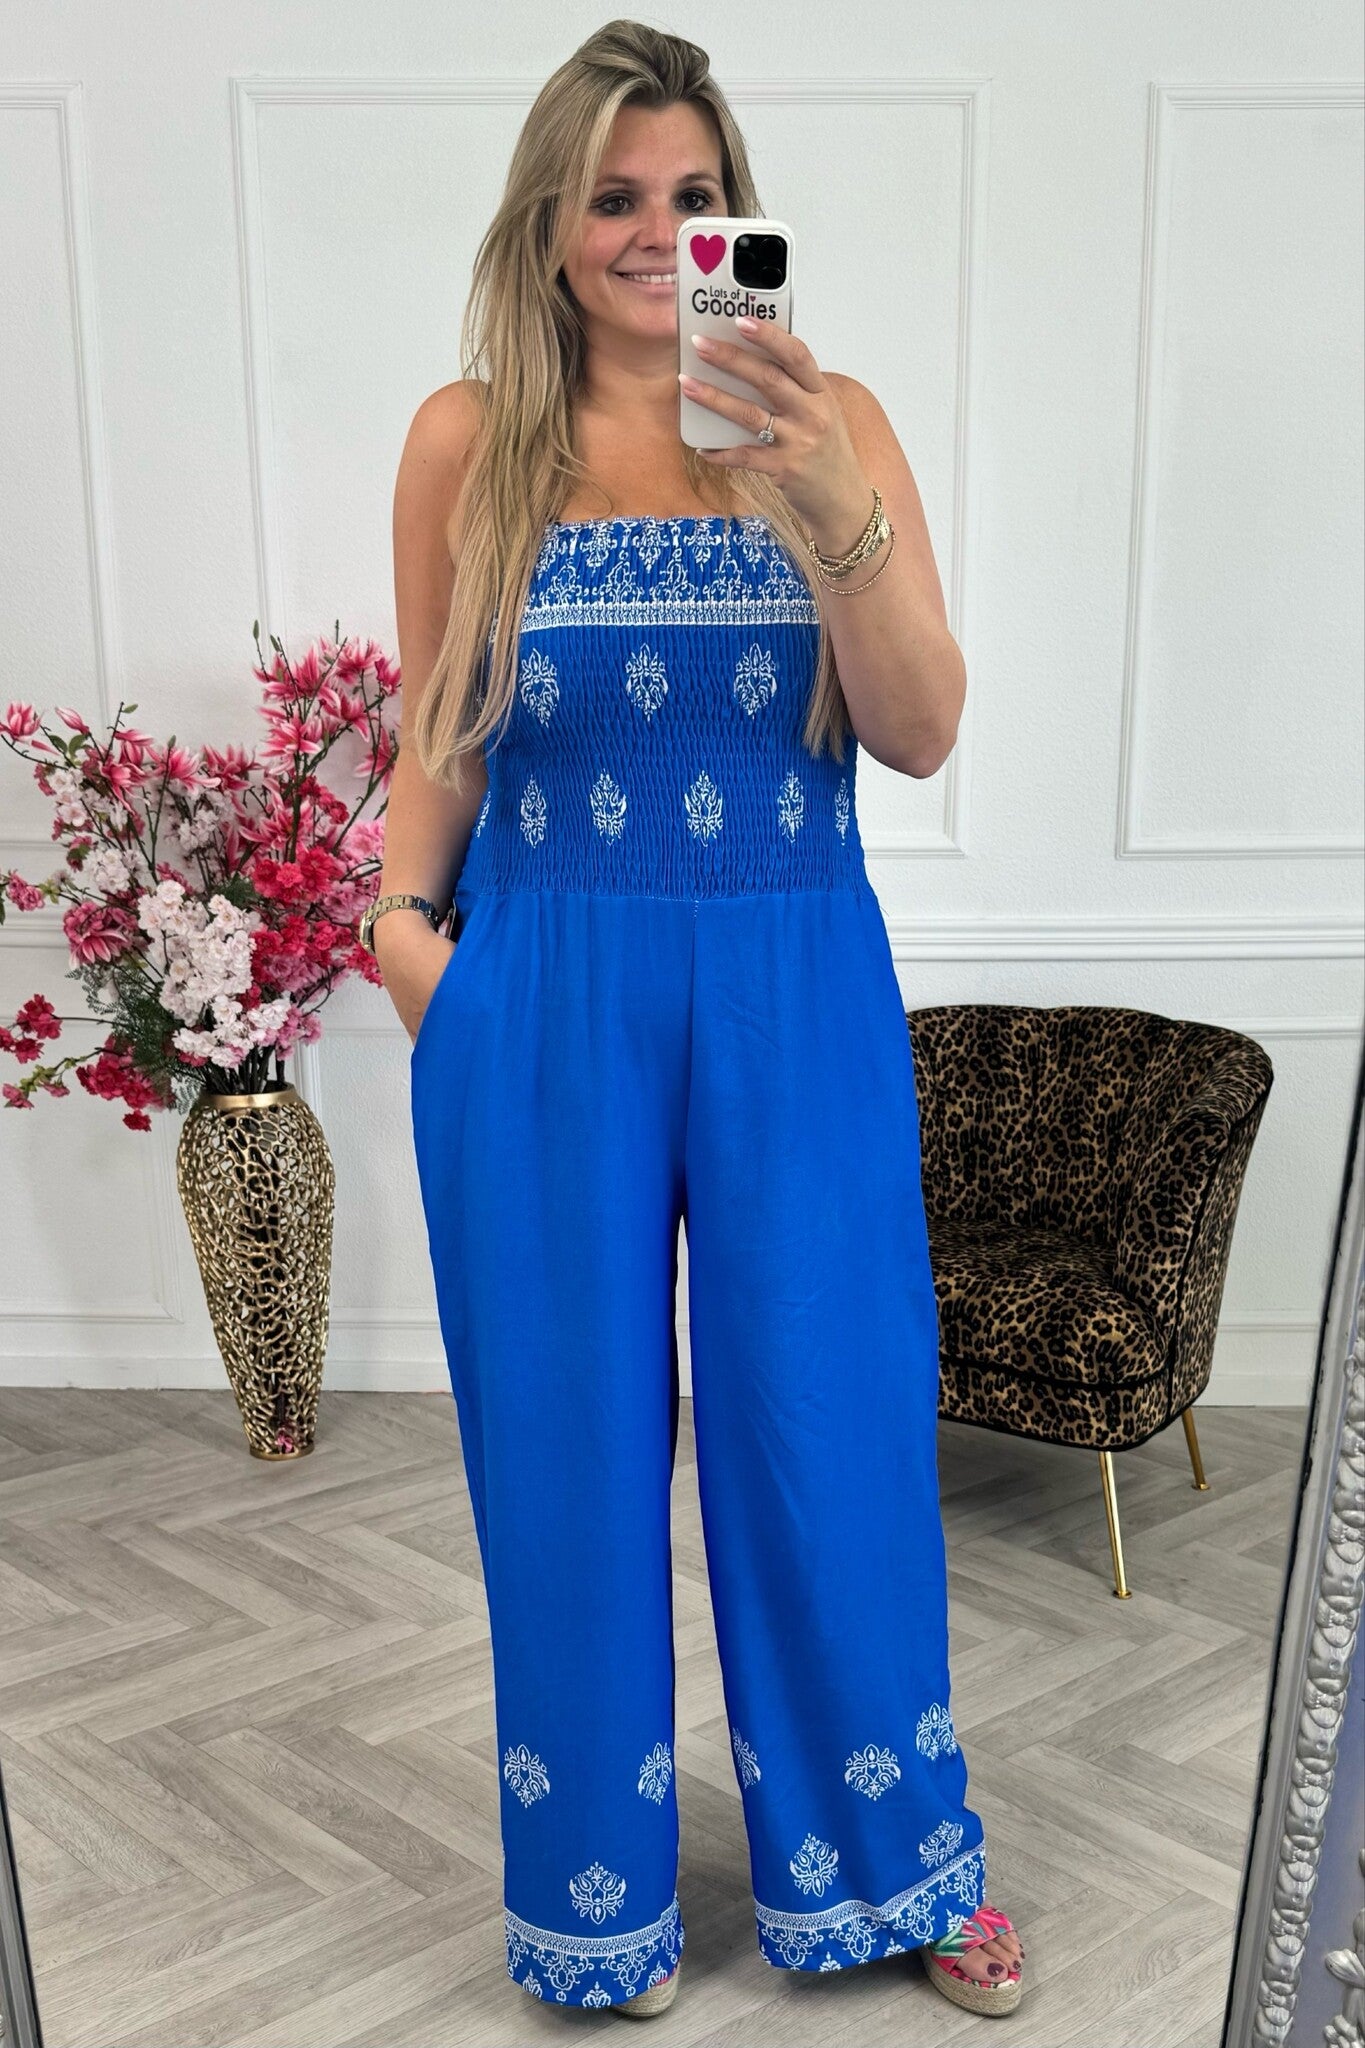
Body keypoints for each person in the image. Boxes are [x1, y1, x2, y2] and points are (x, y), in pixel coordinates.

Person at [371, 19, 1026, 2023]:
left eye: (692, 194)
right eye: (613, 198)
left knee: (828, 1419)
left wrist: (827, 499)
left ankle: (896, 1863)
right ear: (550, 227)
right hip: (541, 996)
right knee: (561, 1451)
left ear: (737, 210)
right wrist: (406, 944)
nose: (657, 233)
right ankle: (593, 1902)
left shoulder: (829, 419)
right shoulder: (469, 444)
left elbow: (917, 728)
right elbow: (437, 736)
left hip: (791, 982)